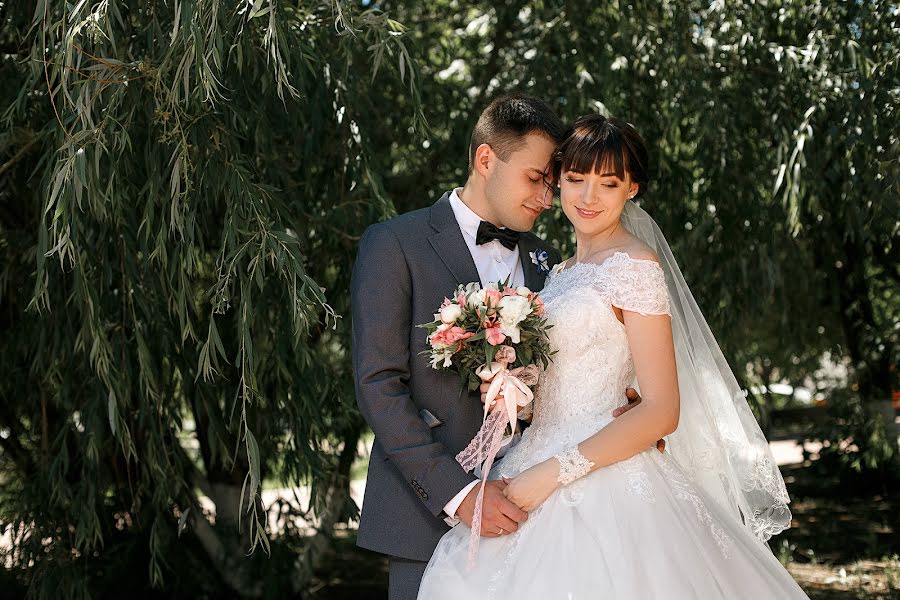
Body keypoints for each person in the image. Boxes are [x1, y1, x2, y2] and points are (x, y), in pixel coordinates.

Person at [416, 114, 810, 599]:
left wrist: (553, 474)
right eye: (575, 179)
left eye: (608, 183)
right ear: (558, 179)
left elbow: (663, 409)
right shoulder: (558, 273)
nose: (587, 197)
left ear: (632, 189)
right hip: (530, 456)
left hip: (598, 478)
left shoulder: (636, 267)